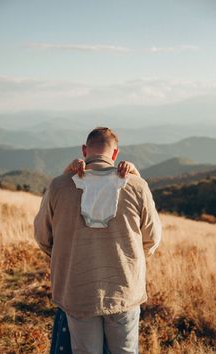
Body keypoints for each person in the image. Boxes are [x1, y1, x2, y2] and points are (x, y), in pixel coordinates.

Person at [34, 127, 162, 354]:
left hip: (78, 291)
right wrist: (131, 260)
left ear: (85, 151)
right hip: (124, 290)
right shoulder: (136, 186)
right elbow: (152, 239)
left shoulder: (58, 186)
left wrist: (67, 256)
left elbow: (43, 239)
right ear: (115, 154)